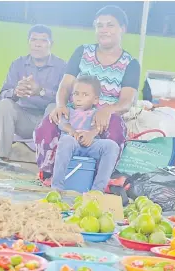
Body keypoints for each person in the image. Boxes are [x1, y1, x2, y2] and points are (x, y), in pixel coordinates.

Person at [35, 5, 140, 184]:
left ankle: (99, 179)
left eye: (110, 25)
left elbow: (126, 101)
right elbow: (66, 85)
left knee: (115, 126)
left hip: (103, 116)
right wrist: (61, 105)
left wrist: (107, 110)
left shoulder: (130, 64)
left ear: (122, 29)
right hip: (75, 109)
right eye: (100, 26)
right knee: (50, 120)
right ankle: (50, 174)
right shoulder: (82, 52)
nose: (104, 30)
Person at [0, 24, 66, 159]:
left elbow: (68, 100)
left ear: (51, 44)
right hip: (23, 120)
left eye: (43, 40)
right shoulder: (18, 64)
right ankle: (1, 158)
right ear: (28, 43)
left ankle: (46, 160)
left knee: (54, 107)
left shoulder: (62, 66)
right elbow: (2, 94)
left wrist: (41, 91)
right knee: (4, 104)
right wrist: (16, 92)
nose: (37, 45)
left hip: (47, 121)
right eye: (34, 40)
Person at [52, 76, 120, 191]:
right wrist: (72, 132)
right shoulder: (68, 110)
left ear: (95, 100)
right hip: (73, 143)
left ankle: (97, 190)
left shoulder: (97, 113)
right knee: (65, 140)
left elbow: (98, 128)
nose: (78, 98)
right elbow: (62, 124)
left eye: (85, 95)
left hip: (91, 144)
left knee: (112, 146)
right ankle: (57, 187)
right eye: (76, 94)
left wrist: (91, 134)